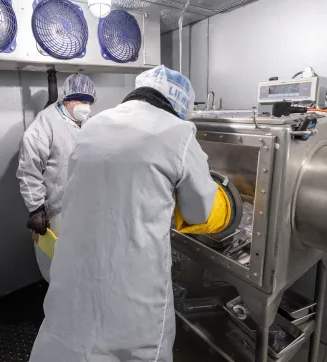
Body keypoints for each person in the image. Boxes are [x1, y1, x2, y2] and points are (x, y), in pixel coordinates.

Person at [28, 65, 232, 362]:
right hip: (131, 283)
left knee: (69, 339)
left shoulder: (95, 124)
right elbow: (199, 211)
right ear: (178, 104)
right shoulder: (178, 131)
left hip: (75, 266)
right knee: (133, 347)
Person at [17, 73, 97, 282]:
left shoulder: (88, 123)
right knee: (55, 263)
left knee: (82, 259)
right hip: (56, 209)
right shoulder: (45, 124)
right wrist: (36, 208)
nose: (85, 107)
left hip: (86, 204)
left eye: (89, 102)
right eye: (81, 101)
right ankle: (55, 305)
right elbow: (29, 171)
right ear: (66, 99)